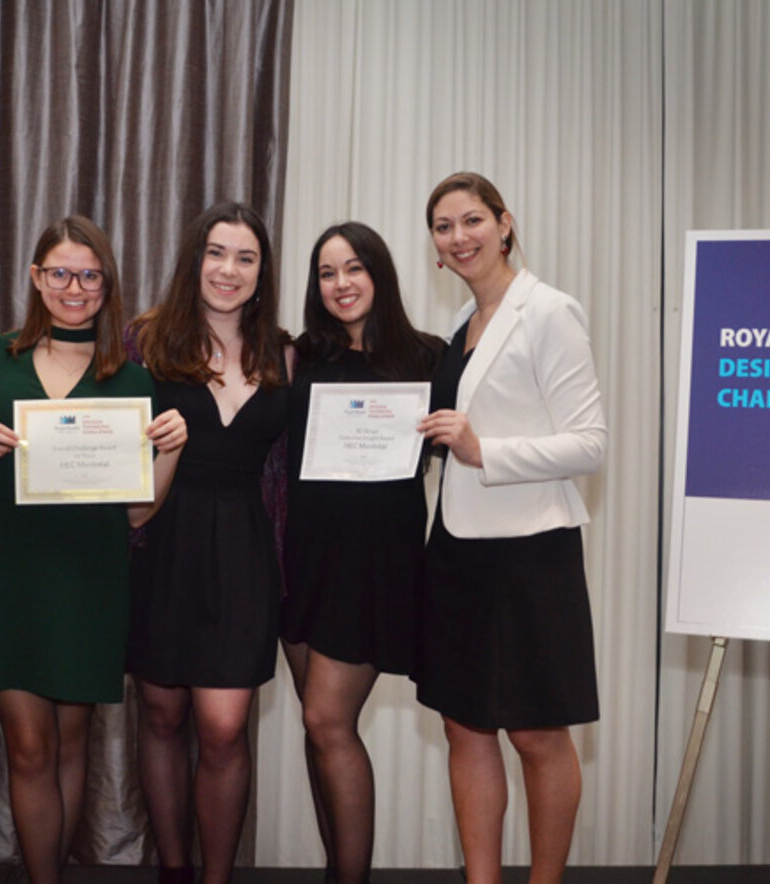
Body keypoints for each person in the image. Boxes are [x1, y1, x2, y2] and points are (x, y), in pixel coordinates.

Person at [0, 215, 185, 884]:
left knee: (72, 741)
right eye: (60, 273)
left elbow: (138, 509)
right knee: (28, 746)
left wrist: (173, 450)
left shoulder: (132, 381)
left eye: (89, 275)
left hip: (90, 578)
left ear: (106, 283)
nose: (74, 288)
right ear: (35, 277)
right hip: (5, 574)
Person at [415, 172, 607, 884]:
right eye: (443, 227)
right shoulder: (459, 330)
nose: (458, 237)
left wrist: (483, 450)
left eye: (472, 220)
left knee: (536, 732)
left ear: (505, 225)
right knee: (462, 724)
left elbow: (591, 444)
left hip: (532, 553)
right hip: (457, 551)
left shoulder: (549, 311)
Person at [128, 202, 290, 884]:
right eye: (216, 253)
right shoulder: (146, 341)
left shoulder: (286, 353)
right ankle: (175, 870)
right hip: (161, 544)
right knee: (162, 715)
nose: (229, 269)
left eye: (245, 257)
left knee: (224, 728)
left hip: (247, 552)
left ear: (262, 272)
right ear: (194, 260)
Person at [280, 222, 444, 884]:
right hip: (301, 561)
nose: (341, 283)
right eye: (327, 272)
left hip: (376, 566)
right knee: (318, 727)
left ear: (380, 273)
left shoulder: (429, 358)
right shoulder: (298, 358)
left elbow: (468, 445)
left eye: (354, 268)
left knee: (327, 720)